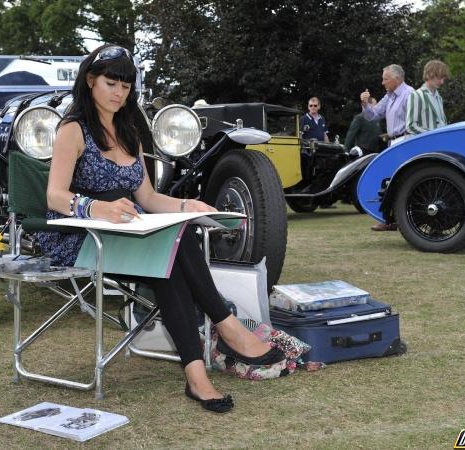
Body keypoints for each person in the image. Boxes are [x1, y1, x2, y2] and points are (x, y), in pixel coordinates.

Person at [37, 44, 284, 413]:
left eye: (126, 85)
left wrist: (188, 206)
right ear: (90, 80)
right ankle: (226, 330)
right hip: (82, 236)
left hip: (131, 232)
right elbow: (54, 196)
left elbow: (149, 198)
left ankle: (198, 373)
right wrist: (96, 207)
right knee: (169, 251)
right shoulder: (72, 129)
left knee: (173, 242)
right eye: (111, 83)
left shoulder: (130, 132)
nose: (119, 93)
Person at [360, 64, 414, 230]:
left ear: (397, 78)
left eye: (385, 79)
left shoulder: (409, 94)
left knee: (403, 181)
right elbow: (373, 115)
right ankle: (390, 219)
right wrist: (365, 103)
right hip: (393, 143)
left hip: (406, 140)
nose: (383, 83)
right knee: (391, 181)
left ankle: (403, 220)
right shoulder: (389, 96)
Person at [406, 60, 449, 135]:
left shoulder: (439, 97)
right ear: (429, 74)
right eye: (439, 78)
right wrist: (432, 135)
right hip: (426, 144)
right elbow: (411, 126)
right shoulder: (416, 95)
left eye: (443, 79)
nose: (442, 82)